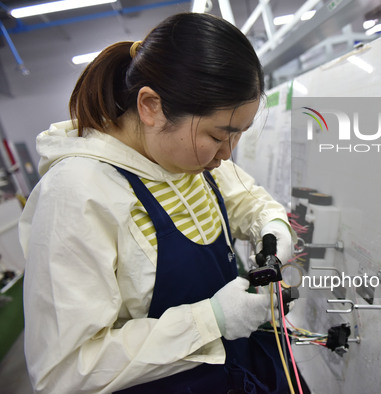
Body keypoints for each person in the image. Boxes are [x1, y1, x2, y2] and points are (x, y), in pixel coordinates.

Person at [19, 12, 295, 394]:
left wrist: (273, 228)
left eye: (238, 136)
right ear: (150, 106)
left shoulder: (190, 159)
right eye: (219, 135)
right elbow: (65, 369)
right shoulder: (77, 193)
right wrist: (210, 320)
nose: (227, 155)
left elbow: (248, 201)